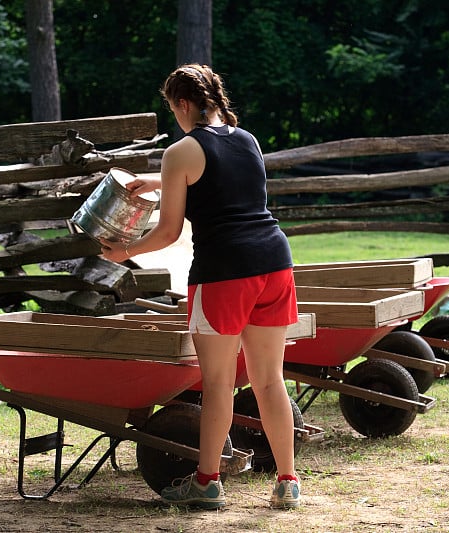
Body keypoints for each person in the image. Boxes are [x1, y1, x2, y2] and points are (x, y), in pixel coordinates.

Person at [99, 63, 301, 510]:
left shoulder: (180, 151)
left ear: (183, 104)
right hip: (274, 263)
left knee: (217, 383)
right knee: (270, 381)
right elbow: (215, 181)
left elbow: (170, 232)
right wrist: (152, 180)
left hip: (225, 273)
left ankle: (207, 482)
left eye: (173, 108)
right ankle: (288, 481)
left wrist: (122, 250)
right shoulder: (246, 139)